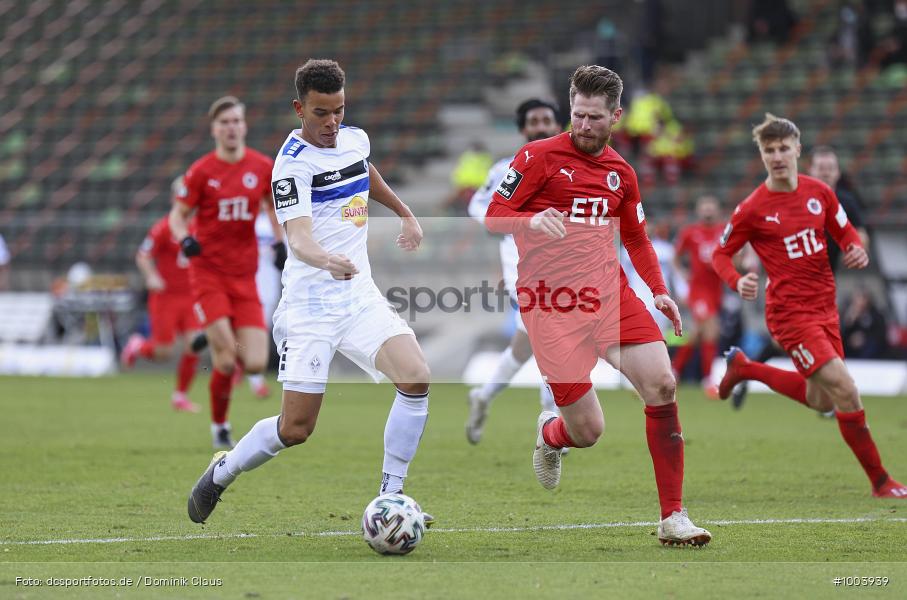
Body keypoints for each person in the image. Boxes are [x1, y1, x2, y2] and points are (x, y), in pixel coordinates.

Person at [187, 59, 434, 526]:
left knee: (416, 376)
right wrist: (326, 259)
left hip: (358, 296)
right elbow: (298, 238)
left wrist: (405, 212)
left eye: (339, 110)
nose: (332, 122)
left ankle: (391, 496)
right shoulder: (290, 167)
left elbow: (364, 171)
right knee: (296, 428)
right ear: (299, 108)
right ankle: (224, 469)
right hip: (310, 306)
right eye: (321, 113)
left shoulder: (355, 139)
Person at [485, 65, 712, 546]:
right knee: (588, 431)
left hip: (609, 297)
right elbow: (494, 215)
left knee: (663, 385)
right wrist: (529, 221)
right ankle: (552, 435)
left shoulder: (621, 173)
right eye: (578, 115)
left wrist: (659, 290)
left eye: (594, 117)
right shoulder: (536, 157)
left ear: (616, 117)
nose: (584, 125)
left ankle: (673, 517)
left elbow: (636, 238)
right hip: (550, 305)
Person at [713, 113, 906, 499]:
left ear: (797, 149)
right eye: (769, 150)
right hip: (789, 315)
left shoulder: (821, 193)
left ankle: (746, 368)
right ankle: (882, 482)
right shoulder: (752, 208)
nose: (777, 156)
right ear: (762, 155)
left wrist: (855, 248)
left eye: (783, 148)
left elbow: (845, 231)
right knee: (846, 390)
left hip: (826, 309)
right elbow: (720, 254)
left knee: (822, 398)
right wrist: (737, 280)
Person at [170, 96, 286, 449]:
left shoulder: (262, 167)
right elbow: (177, 216)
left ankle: (215, 331)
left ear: (244, 126)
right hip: (208, 273)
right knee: (224, 358)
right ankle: (220, 426)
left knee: (254, 363)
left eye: (236, 121)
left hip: (245, 275)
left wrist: (280, 242)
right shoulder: (202, 171)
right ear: (214, 130)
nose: (231, 127)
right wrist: (185, 239)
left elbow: (273, 208)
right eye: (225, 122)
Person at [465, 98, 563, 445]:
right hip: (520, 265)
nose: (541, 126)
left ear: (557, 125)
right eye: (534, 121)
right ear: (523, 129)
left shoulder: (569, 169)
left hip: (561, 265)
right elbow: (478, 205)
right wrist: (510, 224)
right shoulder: (506, 169)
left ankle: (483, 396)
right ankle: (550, 421)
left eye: (546, 120)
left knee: (526, 346)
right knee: (550, 333)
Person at [120, 177, 202, 413]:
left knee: (194, 344)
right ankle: (137, 346)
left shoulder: (200, 226)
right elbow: (143, 255)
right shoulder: (164, 227)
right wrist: (151, 276)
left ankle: (180, 396)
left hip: (192, 295)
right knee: (163, 352)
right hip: (166, 296)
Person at [671, 195, 725, 398]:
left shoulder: (723, 231)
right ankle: (709, 380)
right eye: (705, 207)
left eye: (711, 207)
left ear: (717, 210)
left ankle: (674, 372)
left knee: (698, 334)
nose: (708, 211)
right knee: (711, 329)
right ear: (699, 211)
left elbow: (736, 251)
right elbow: (676, 258)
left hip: (716, 290)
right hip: (699, 290)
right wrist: (683, 276)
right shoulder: (690, 232)